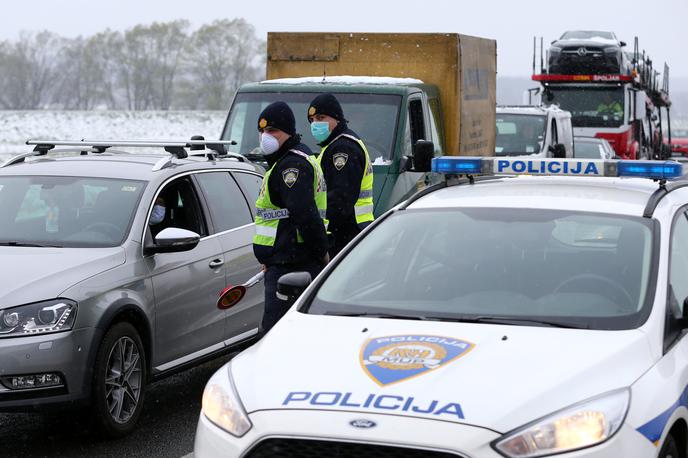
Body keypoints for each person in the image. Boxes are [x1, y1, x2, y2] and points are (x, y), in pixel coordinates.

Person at [253, 101, 329, 334]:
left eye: (272, 131)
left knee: (276, 334)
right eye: (263, 131)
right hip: (285, 259)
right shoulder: (288, 160)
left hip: (293, 264)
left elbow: (304, 215)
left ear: (287, 132)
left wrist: (322, 253)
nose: (266, 136)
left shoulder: (291, 166)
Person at [307, 93, 374, 257]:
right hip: (351, 232)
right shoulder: (333, 146)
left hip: (347, 235)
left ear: (336, 118)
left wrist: (313, 226)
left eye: (321, 117)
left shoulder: (343, 149)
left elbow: (339, 200)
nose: (316, 124)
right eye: (312, 120)